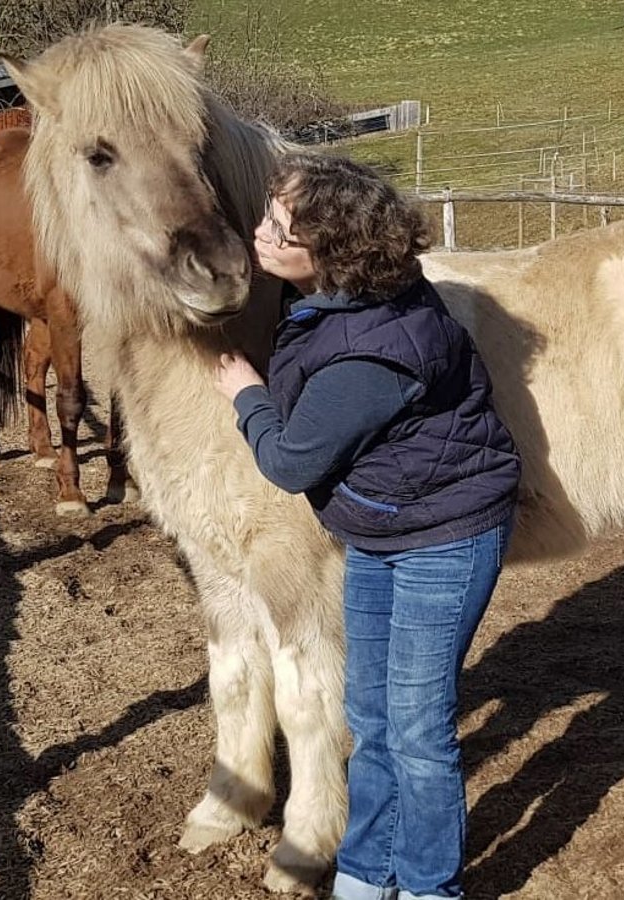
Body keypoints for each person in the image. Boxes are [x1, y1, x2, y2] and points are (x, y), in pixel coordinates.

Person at [213, 153, 521, 900]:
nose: (259, 233)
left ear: (328, 250)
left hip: (440, 541)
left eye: (277, 226)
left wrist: (245, 392)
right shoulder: (340, 300)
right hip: (384, 529)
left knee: (418, 733)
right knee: (373, 719)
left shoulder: (376, 350)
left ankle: (426, 885)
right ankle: (364, 872)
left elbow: (291, 462)